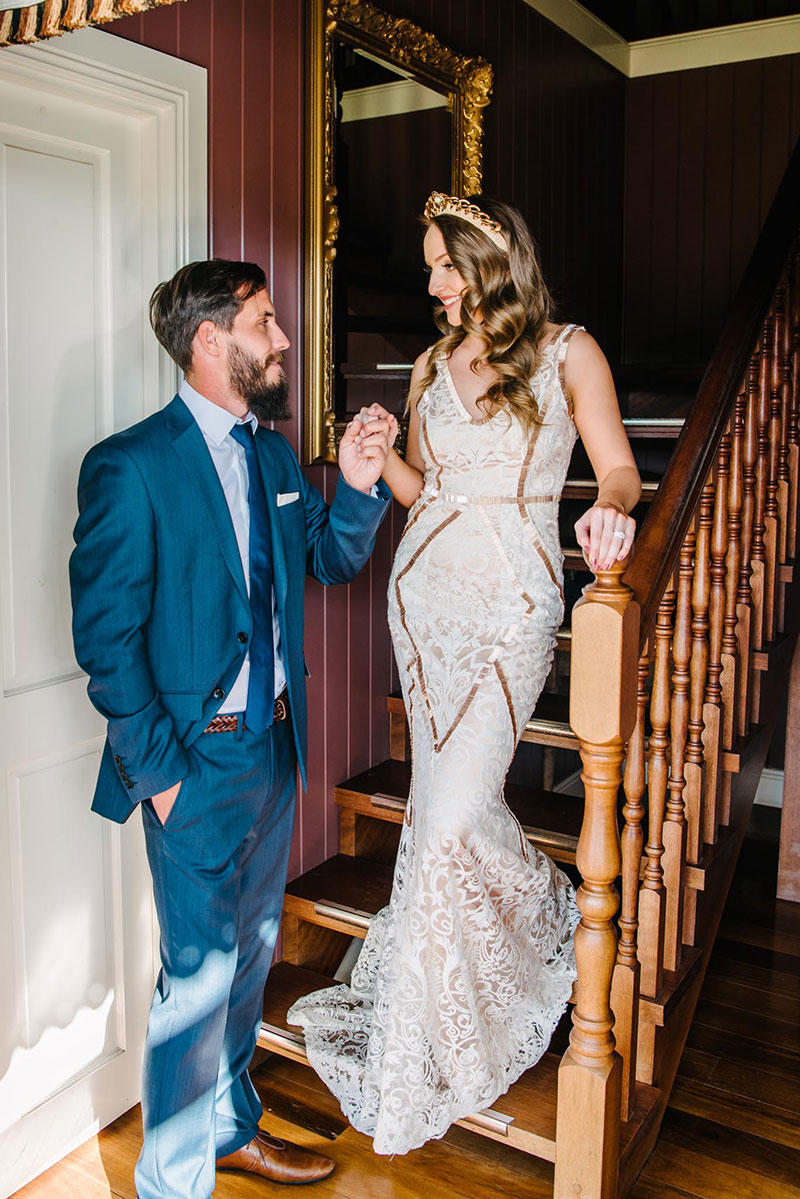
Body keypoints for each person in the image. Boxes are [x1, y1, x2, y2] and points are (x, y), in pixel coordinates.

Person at [289, 193, 641, 1155]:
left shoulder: (570, 350)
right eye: (435, 264)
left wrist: (608, 514)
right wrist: (380, 456)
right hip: (423, 604)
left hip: (509, 614)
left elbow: (618, 471)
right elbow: (424, 492)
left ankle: (549, 915)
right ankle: (430, 1024)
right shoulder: (432, 365)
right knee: (439, 817)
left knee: (448, 818)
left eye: (446, 263)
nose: (435, 281)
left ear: (490, 260)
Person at [69, 259, 394, 1199]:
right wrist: (163, 777)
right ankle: (171, 1185)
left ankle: (226, 1126)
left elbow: (327, 561)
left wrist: (364, 485)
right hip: (192, 763)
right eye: (264, 320)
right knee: (197, 980)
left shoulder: (275, 456)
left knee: (250, 959)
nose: (282, 338)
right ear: (210, 340)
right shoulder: (131, 465)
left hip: (272, 750)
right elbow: (105, 639)